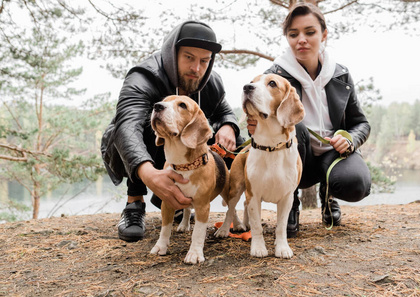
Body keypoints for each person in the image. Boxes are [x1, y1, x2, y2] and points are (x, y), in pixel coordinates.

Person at [101, 21, 243, 242]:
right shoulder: (143, 76)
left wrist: (229, 126)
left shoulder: (211, 83)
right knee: (151, 124)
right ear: (171, 53)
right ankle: (134, 203)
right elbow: (127, 126)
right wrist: (150, 175)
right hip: (143, 144)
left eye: (204, 60)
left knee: (234, 140)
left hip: (186, 154)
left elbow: (225, 111)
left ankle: (192, 196)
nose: (196, 68)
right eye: (189, 57)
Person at [248, 3, 372, 237]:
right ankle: (290, 202)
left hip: (332, 155)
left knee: (356, 184)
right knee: (297, 123)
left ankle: (328, 195)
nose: (301, 40)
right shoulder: (274, 77)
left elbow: (361, 123)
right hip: (293, 156)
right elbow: (255, 116)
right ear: (287, 38)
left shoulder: (341, 74)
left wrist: (350, 140)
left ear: (324, 34)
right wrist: (253, 124)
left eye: (310, 32)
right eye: (293, 34)